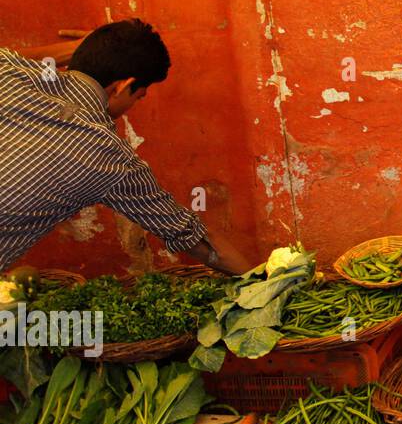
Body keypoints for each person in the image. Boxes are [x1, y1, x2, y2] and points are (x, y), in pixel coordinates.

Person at [0, 20, 252, 275]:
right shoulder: (108, 156)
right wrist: (265, 283)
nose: (133, 104)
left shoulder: (10, 75)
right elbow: (198, 240)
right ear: (122, 86)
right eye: (138, 96)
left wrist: (84, 49)